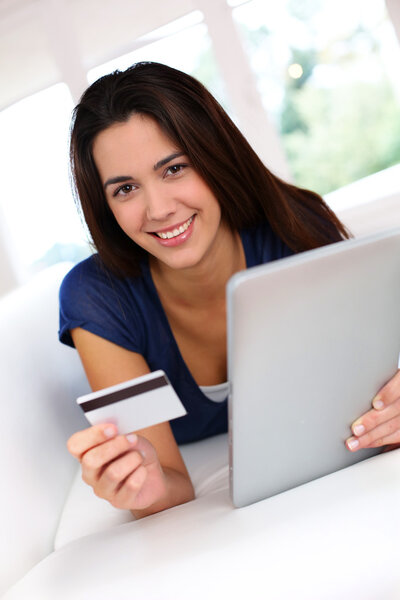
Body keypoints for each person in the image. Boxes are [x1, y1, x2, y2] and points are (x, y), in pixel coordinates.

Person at [60, 61, 400, 519]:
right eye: (125, 189)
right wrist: (142, 488)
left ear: (215, 157)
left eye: (175, 168)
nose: (158, 209)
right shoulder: (96, 297)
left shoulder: (294, 228)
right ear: (105, 205)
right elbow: (169, 482)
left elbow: (367, 403)